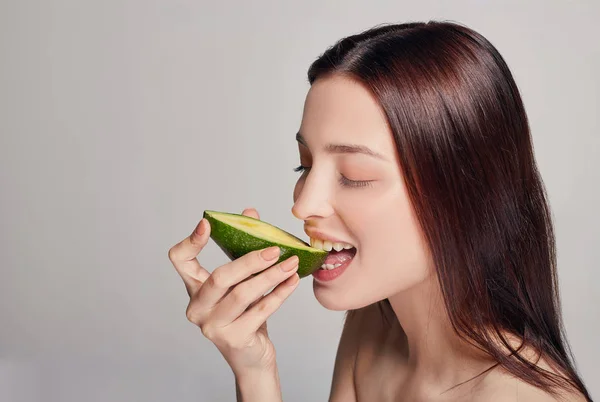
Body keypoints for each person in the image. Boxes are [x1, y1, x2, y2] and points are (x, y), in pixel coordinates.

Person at [168, 20, 593, 401]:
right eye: (306, 164)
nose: (302, 205)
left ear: (463, 195)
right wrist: (253, 368)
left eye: (353, 175)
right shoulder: (371, 325)